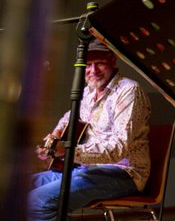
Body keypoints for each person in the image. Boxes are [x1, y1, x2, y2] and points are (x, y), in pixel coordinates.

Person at [28, 40, 151, 220]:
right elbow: (68, 117)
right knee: (16, 188)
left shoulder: (129, 90)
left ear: (113, 61)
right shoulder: (88, 92)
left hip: (123, 173)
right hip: (86, 168)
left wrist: (68, 151)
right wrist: (55, 137)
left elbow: (117, 149)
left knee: (37, 202)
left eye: (99, 63)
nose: (93, 70)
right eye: (88, 64)